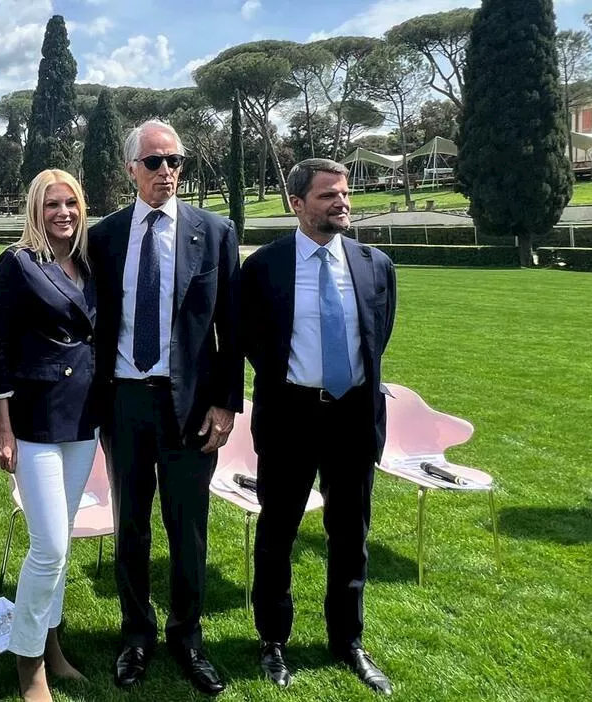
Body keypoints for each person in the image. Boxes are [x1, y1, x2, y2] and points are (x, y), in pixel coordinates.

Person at [88, 119, 243, 696]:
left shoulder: (215, 232)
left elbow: (233, 326)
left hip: (189, 408)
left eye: (175, 161)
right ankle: (135, 635)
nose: (166, 172)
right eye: (153, 162)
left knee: (188, 529)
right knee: (129, 526)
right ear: (131, 169)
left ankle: (188, 637)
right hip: (124, 402)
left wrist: (226, 405)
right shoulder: (103, 237)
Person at [242, 158, 397, 695]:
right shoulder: (263, 268)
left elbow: (378, 336)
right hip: (289, 419)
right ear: (297, 204)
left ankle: (348, 639)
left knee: (351, 534)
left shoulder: (376, 264)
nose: (342, 203)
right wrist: (294, 381)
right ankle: (272, 640)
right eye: (328, 195)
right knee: (277, 533)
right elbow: (251, 339)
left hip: (353, 417)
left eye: (345, 193)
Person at [0, 169, 97, 702]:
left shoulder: (90, 263)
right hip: (33, 420)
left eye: (71, 202)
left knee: (62, 542)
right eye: (52, 204)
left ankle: (51, 644)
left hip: (83, 419)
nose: (63, 213)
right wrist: (2, 426)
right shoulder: (19, 263)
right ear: (35, 209)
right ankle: (28, 664)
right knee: (48, 545)